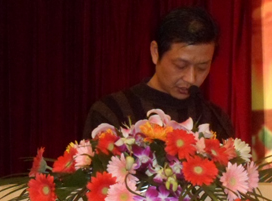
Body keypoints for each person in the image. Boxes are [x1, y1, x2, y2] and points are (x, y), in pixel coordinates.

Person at [83, 7, 235, 139]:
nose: (191, 78)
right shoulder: (112, 111)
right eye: (180, 65)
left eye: (202, 68)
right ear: (155, 52)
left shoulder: (216, 120)